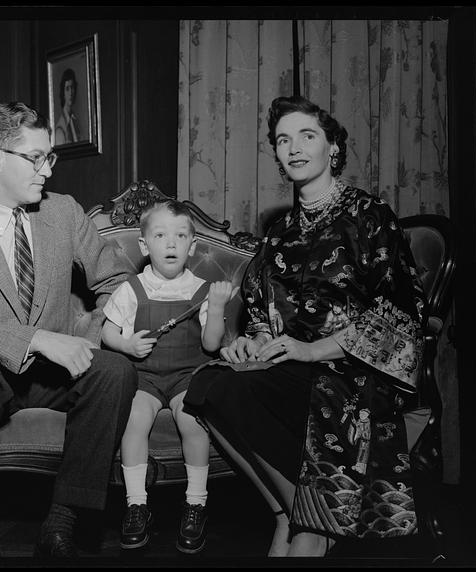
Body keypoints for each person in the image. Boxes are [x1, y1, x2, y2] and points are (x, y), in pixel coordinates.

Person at [183, 95, 428, 557]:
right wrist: (250, 343)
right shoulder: (280, 230)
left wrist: (312, 350)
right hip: (289, 368)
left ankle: (307, 522)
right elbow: (260, 312)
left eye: (307, 136)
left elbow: (402, 320)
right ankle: (298, 509)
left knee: (233, 391)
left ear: (332, 147)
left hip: (351, 372)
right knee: (206, 386)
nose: (294, 148)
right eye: (282, 140)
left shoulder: (369, 216)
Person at [0, 101, 138, 559]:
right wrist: (36, 339)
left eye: (49, 157)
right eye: (35, 158)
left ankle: (64, 518)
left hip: (53, 378)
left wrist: (90, 332)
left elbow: (115, 282)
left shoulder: (65, 213)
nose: (47, 172)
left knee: (115, 372)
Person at [101, 200, 234, 554]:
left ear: (192, 246)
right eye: (160, 235)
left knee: (192, 422)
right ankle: (136, 504)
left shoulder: (202, 289)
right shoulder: (133, 288)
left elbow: (211, 344)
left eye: (180, 236)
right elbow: (107, 332)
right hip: (143, 377)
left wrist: (218, 308)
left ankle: (195, 504)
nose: (170, 244)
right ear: (145, 245)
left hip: (187, 376)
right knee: (133, 420)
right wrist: (127, 345)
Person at [53, 68, 81, 145]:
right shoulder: (60, 128)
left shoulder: (74, 121)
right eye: (67, 89)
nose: (71, 93)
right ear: (63, 93)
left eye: (72, 87)